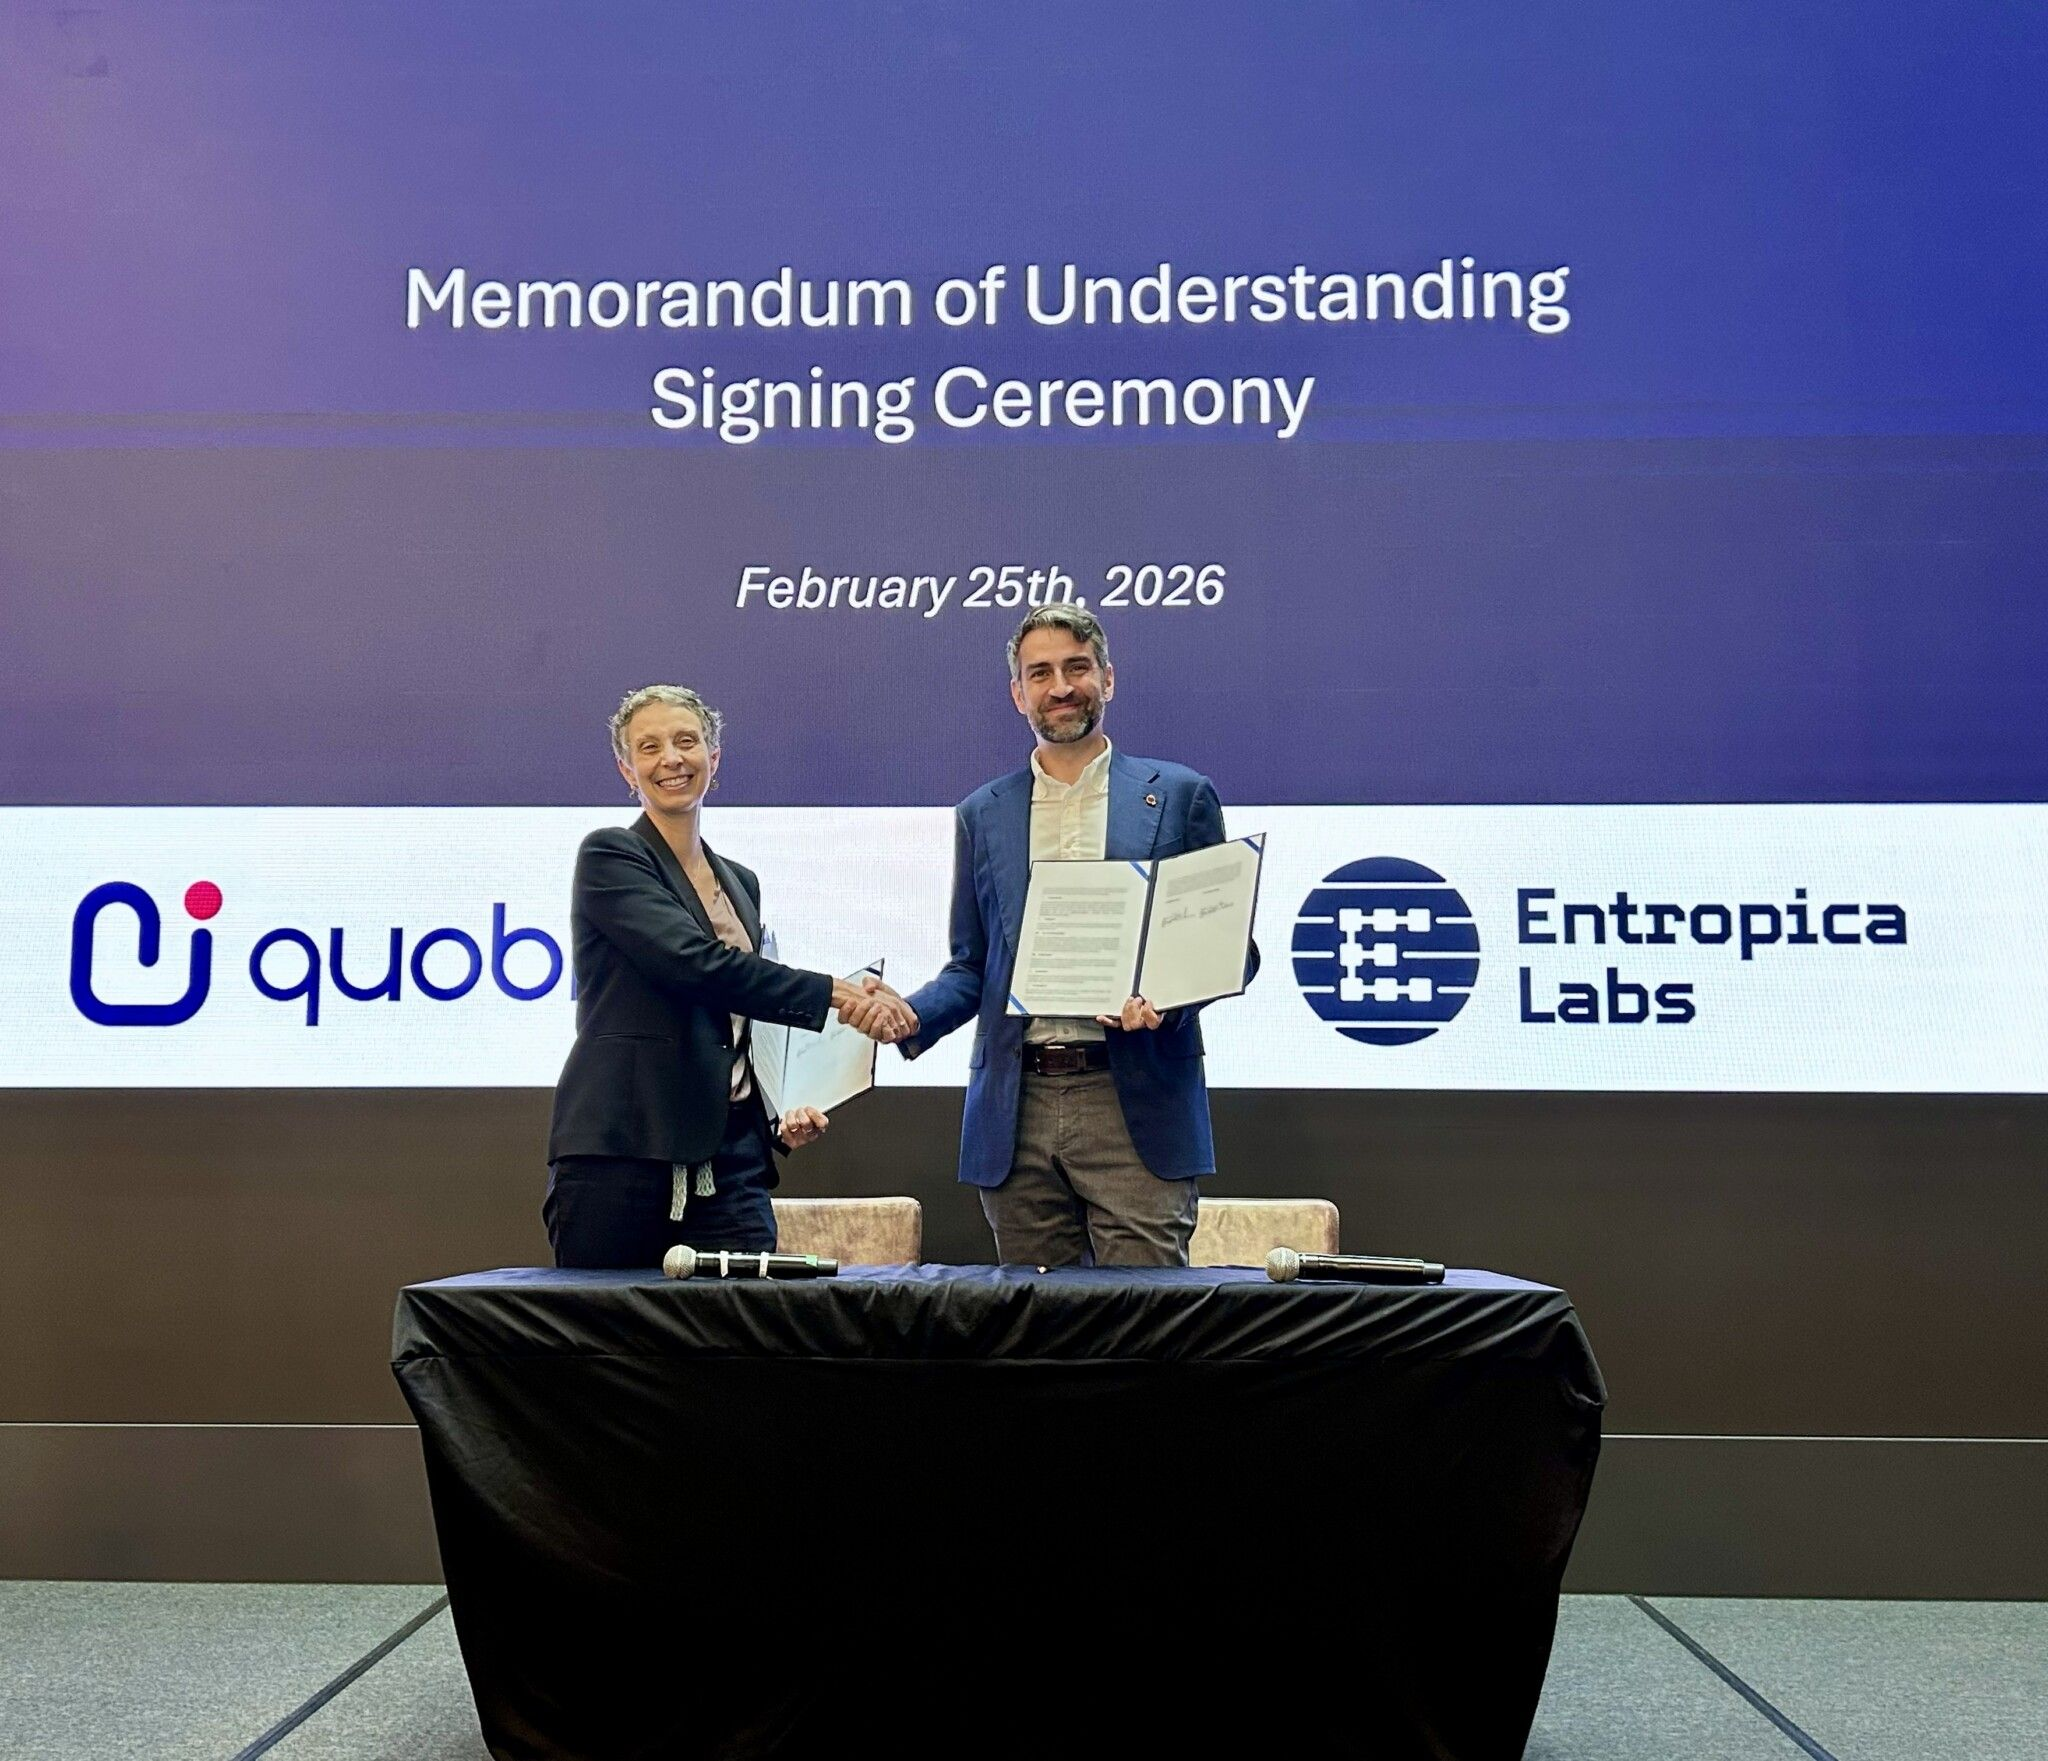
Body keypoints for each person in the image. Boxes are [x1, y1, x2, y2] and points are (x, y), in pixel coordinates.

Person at [857, 606, 1256, 1266]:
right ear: (1018, 693)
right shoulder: (982, 813)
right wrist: (912, 1014)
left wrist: (1168, 1000)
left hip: (1135, 1099)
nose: (1061, 687)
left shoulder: (1181, 796)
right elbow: (972, 965)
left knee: (1146, 1313)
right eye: (1039, 673)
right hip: (1017, 1108)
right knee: (1036, 1319)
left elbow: (1228, 944)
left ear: (1108, 678)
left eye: (1077, 668)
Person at [545, 684, 911, 1268]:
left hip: (731, 1162)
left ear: (713, 758)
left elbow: (739, 1021)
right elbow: (694, 965)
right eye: (649, 747)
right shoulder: (611, 855)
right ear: (626, 770)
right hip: (625, 1154)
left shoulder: (741, 882)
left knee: (741, 1323)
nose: (671, 759)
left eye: (687, 741)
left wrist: (778, 1109)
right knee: (609, 1327)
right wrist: (836, 994)